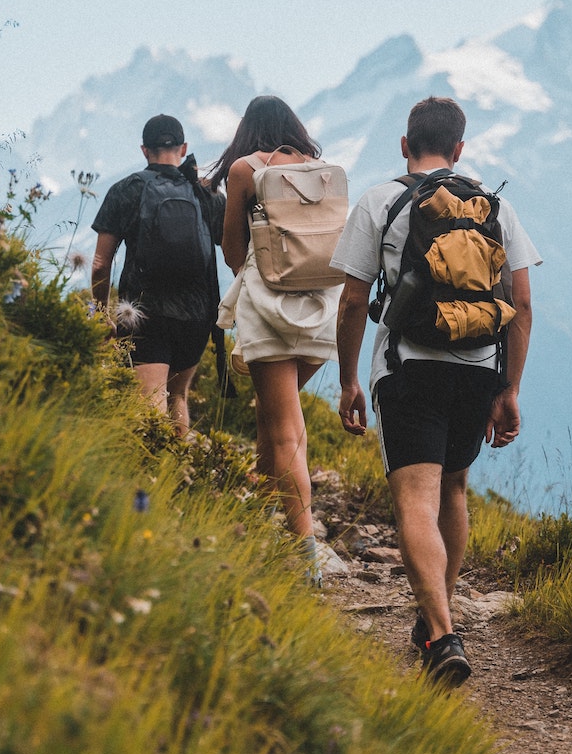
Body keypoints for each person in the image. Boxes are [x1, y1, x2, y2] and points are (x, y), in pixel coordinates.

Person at [332, 96, 540, 686]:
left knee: (414, 500)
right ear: (459, 149)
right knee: (454, 488)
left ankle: (443, 632)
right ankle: (434, 623)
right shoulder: (494, 207)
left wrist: (349, 379)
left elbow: (352, 300)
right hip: (478, 367)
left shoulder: (381, 199)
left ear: (404, 145)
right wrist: (510, 388)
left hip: (410, 367)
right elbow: (521, 304)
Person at [210, 96, 339, 581]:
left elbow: (232, 250)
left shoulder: (245, 169)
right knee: (273, 416)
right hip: (320, 309)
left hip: (268, 308)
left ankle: (307, 554)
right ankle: (263, 517)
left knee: (284, 427)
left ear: (247, 129)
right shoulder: (321, 170)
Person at [91, 113, 223, 434]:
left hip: (143, 314)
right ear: (184, 148)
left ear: (143, 150)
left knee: (148, 403)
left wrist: (100, 310)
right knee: (177, 396)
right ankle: (177, 477)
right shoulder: (207, 195)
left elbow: (99, 263)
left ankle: (148, 479)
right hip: (197, 315)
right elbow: (234, 250)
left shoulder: (126, 190)